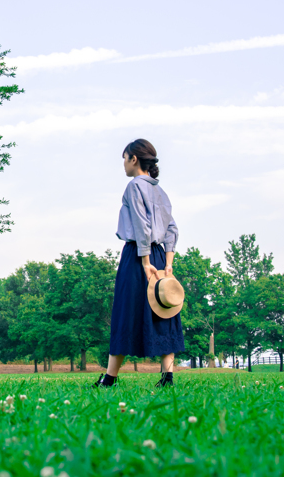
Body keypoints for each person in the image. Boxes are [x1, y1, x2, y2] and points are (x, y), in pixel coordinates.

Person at [95, 139, 184, 389]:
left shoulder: (134, 186)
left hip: (138, 256)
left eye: (124, 158)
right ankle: (167, 377)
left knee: (126, 312)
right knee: (163, 310)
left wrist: (145, 262)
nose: (123, 164)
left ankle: (109, 379)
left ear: (134, 159)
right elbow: (172, 229)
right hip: (159, 257)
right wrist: (168, 265)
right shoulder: (161, 192)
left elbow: (141, 226)